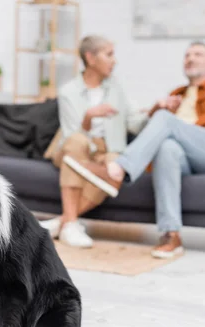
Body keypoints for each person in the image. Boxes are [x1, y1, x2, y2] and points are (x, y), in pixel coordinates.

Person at [63, 41, 205, 259]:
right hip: (183, 155)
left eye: (198, 54)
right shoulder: (177, 93)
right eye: (187, 55)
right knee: (166, 148)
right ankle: (171, 234)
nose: (190, 58)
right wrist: (159, 110)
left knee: (166, 122)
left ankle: (121, 167)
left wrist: (175, 126)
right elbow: (155, 131)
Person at [40, 35, 148, 248]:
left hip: (105, 150)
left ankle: (64, 222)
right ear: (90, 58)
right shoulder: (69, 91)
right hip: (73, 149)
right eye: (109, 54)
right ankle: (71, 223)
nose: (114, 60)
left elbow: (133, 122)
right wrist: (89, 117)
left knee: (117, 165)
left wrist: (156, 110)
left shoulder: (115, 88)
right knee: (77, 144)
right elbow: (73, 135)